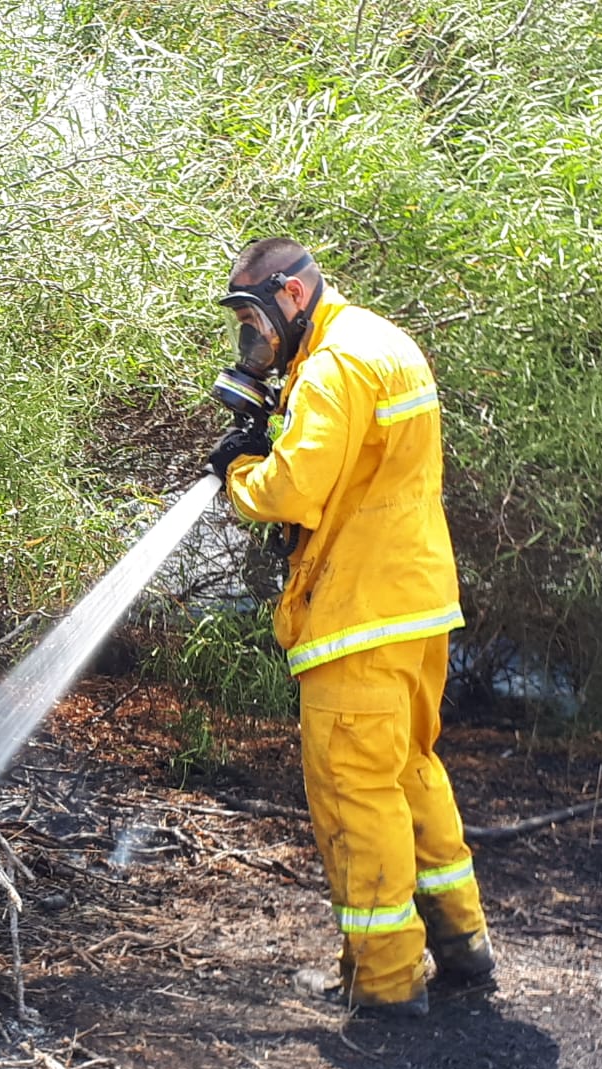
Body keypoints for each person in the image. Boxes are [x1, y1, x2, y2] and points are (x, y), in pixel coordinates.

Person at [204, 237, 495, 1019]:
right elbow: (358, 467)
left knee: (353, 791)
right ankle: (462, 943)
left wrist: (239, 471)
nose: (251, 339)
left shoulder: (333, 364)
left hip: (356, 613)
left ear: (291, 296)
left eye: (252, 316)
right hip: (414, 604)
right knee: (408, 770)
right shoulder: (380, 341)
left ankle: (384, 979)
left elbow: (295, 488)